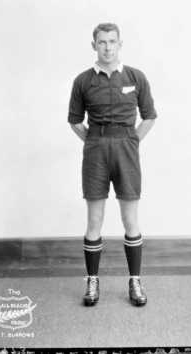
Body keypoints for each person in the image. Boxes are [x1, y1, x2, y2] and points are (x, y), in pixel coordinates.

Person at [68, 23, 157, 307]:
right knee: (94, 219)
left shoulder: (135, 77)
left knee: (130, 219)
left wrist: (132, 141)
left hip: (126, 149)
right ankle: (92, 282)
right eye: (102, 42)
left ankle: (134, 281)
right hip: (96, 150)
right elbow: (74, 120)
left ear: (120, 44)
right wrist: (94, 141)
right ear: (93, 45)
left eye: (112, 41)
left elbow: (149, 116)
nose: (107, 47)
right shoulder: (83, 81)